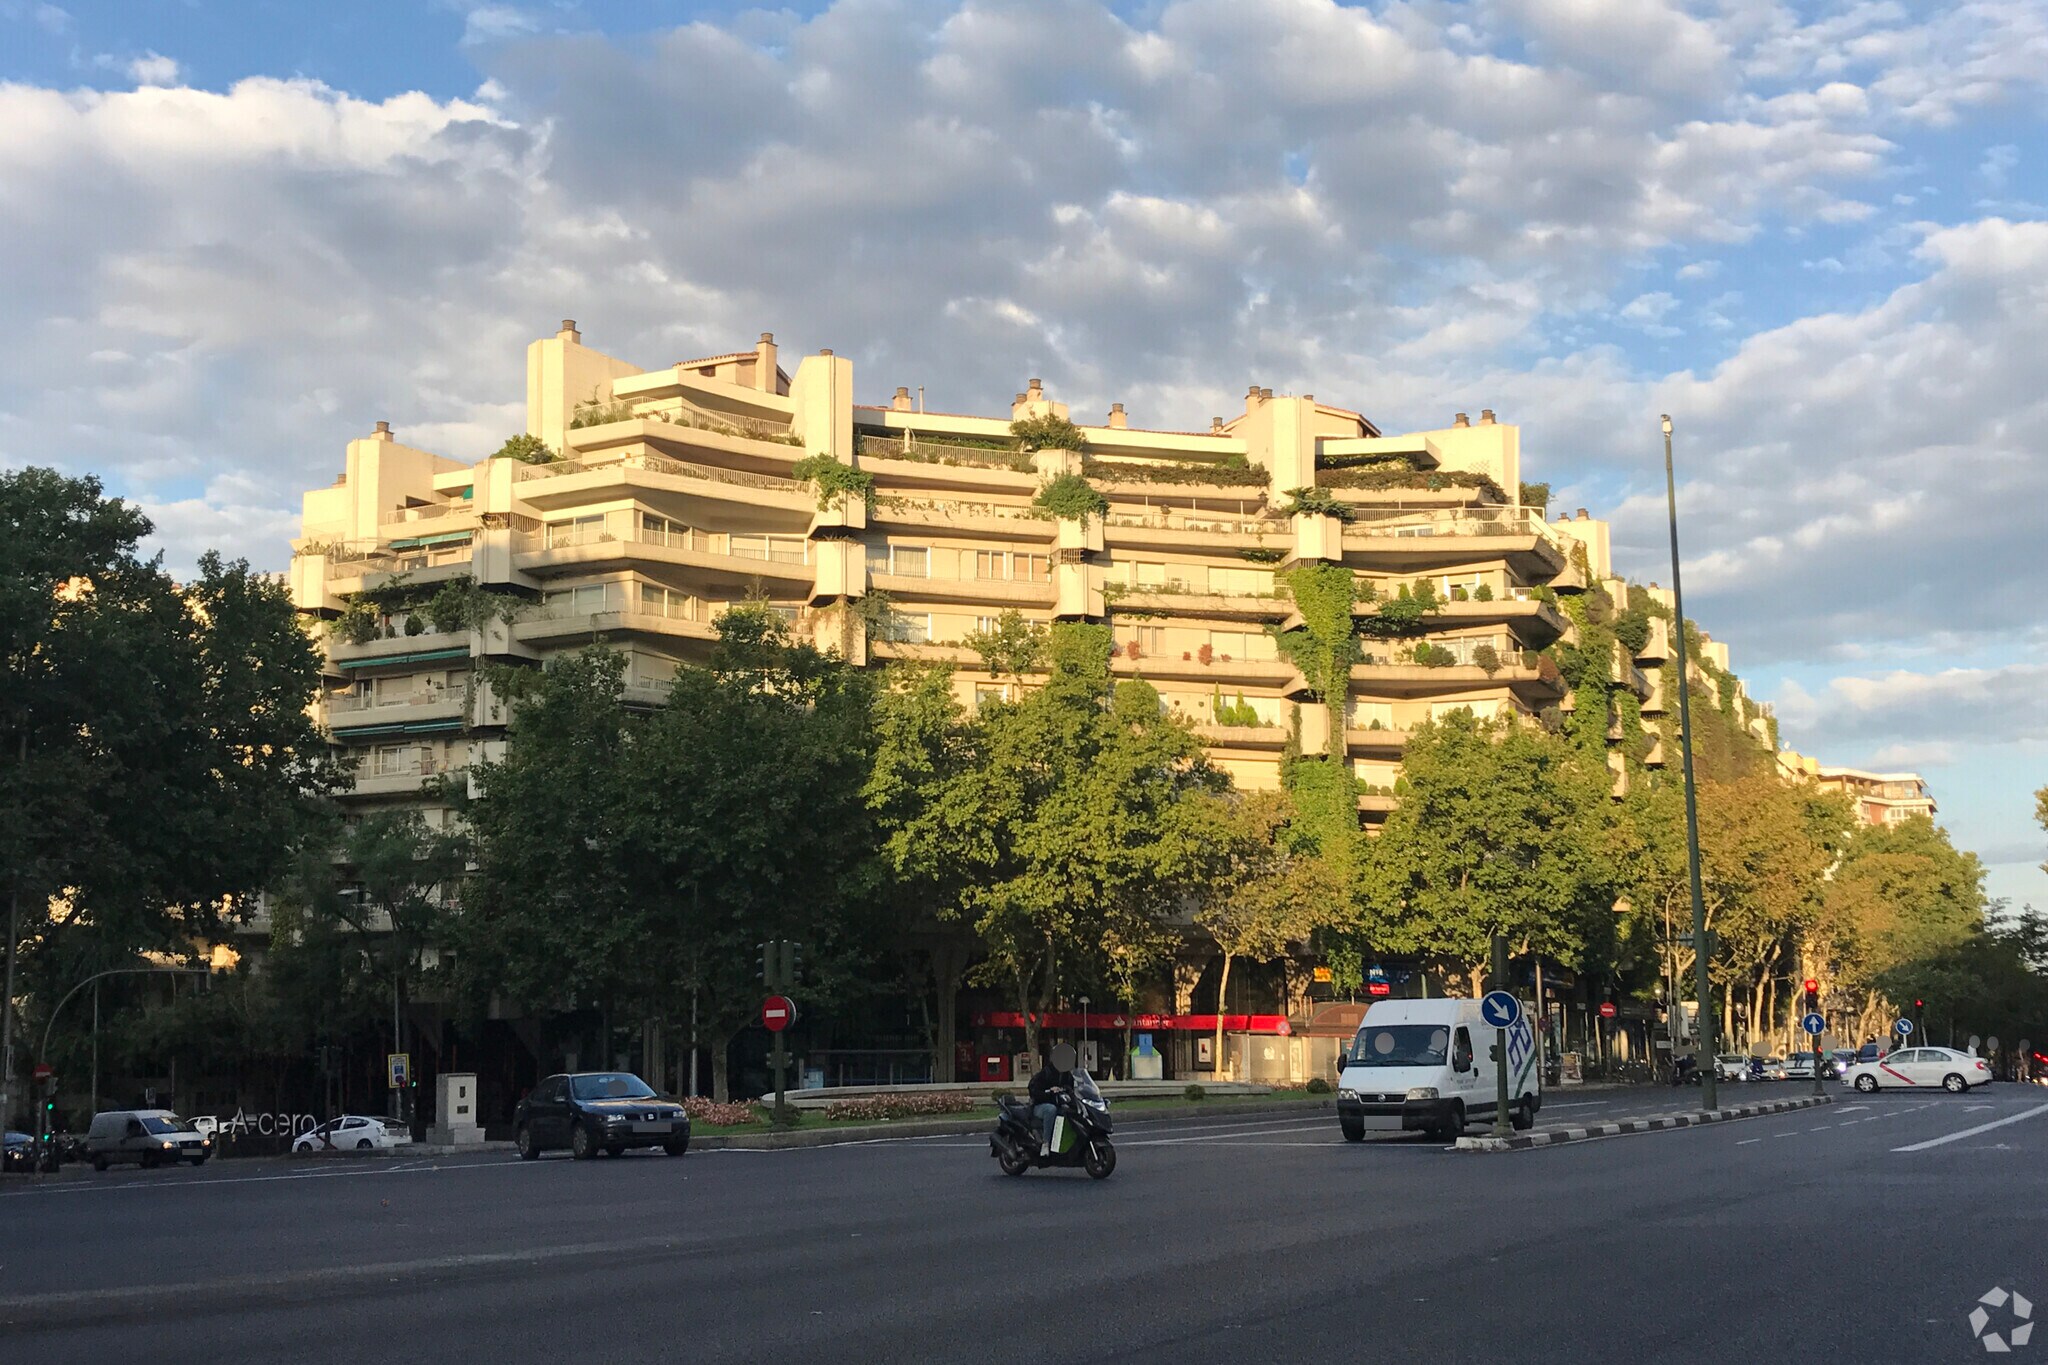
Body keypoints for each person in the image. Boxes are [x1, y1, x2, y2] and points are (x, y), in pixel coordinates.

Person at [1029, 1043, 1076, 1153]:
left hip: (1059, 1104)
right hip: (1040, 1105)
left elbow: (1072, 1089)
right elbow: (1034, 1091)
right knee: (1051, 1109)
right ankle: (1046, 1143)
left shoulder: (1067, 1075)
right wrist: (1049, 1091)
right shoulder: (1045, 1073)